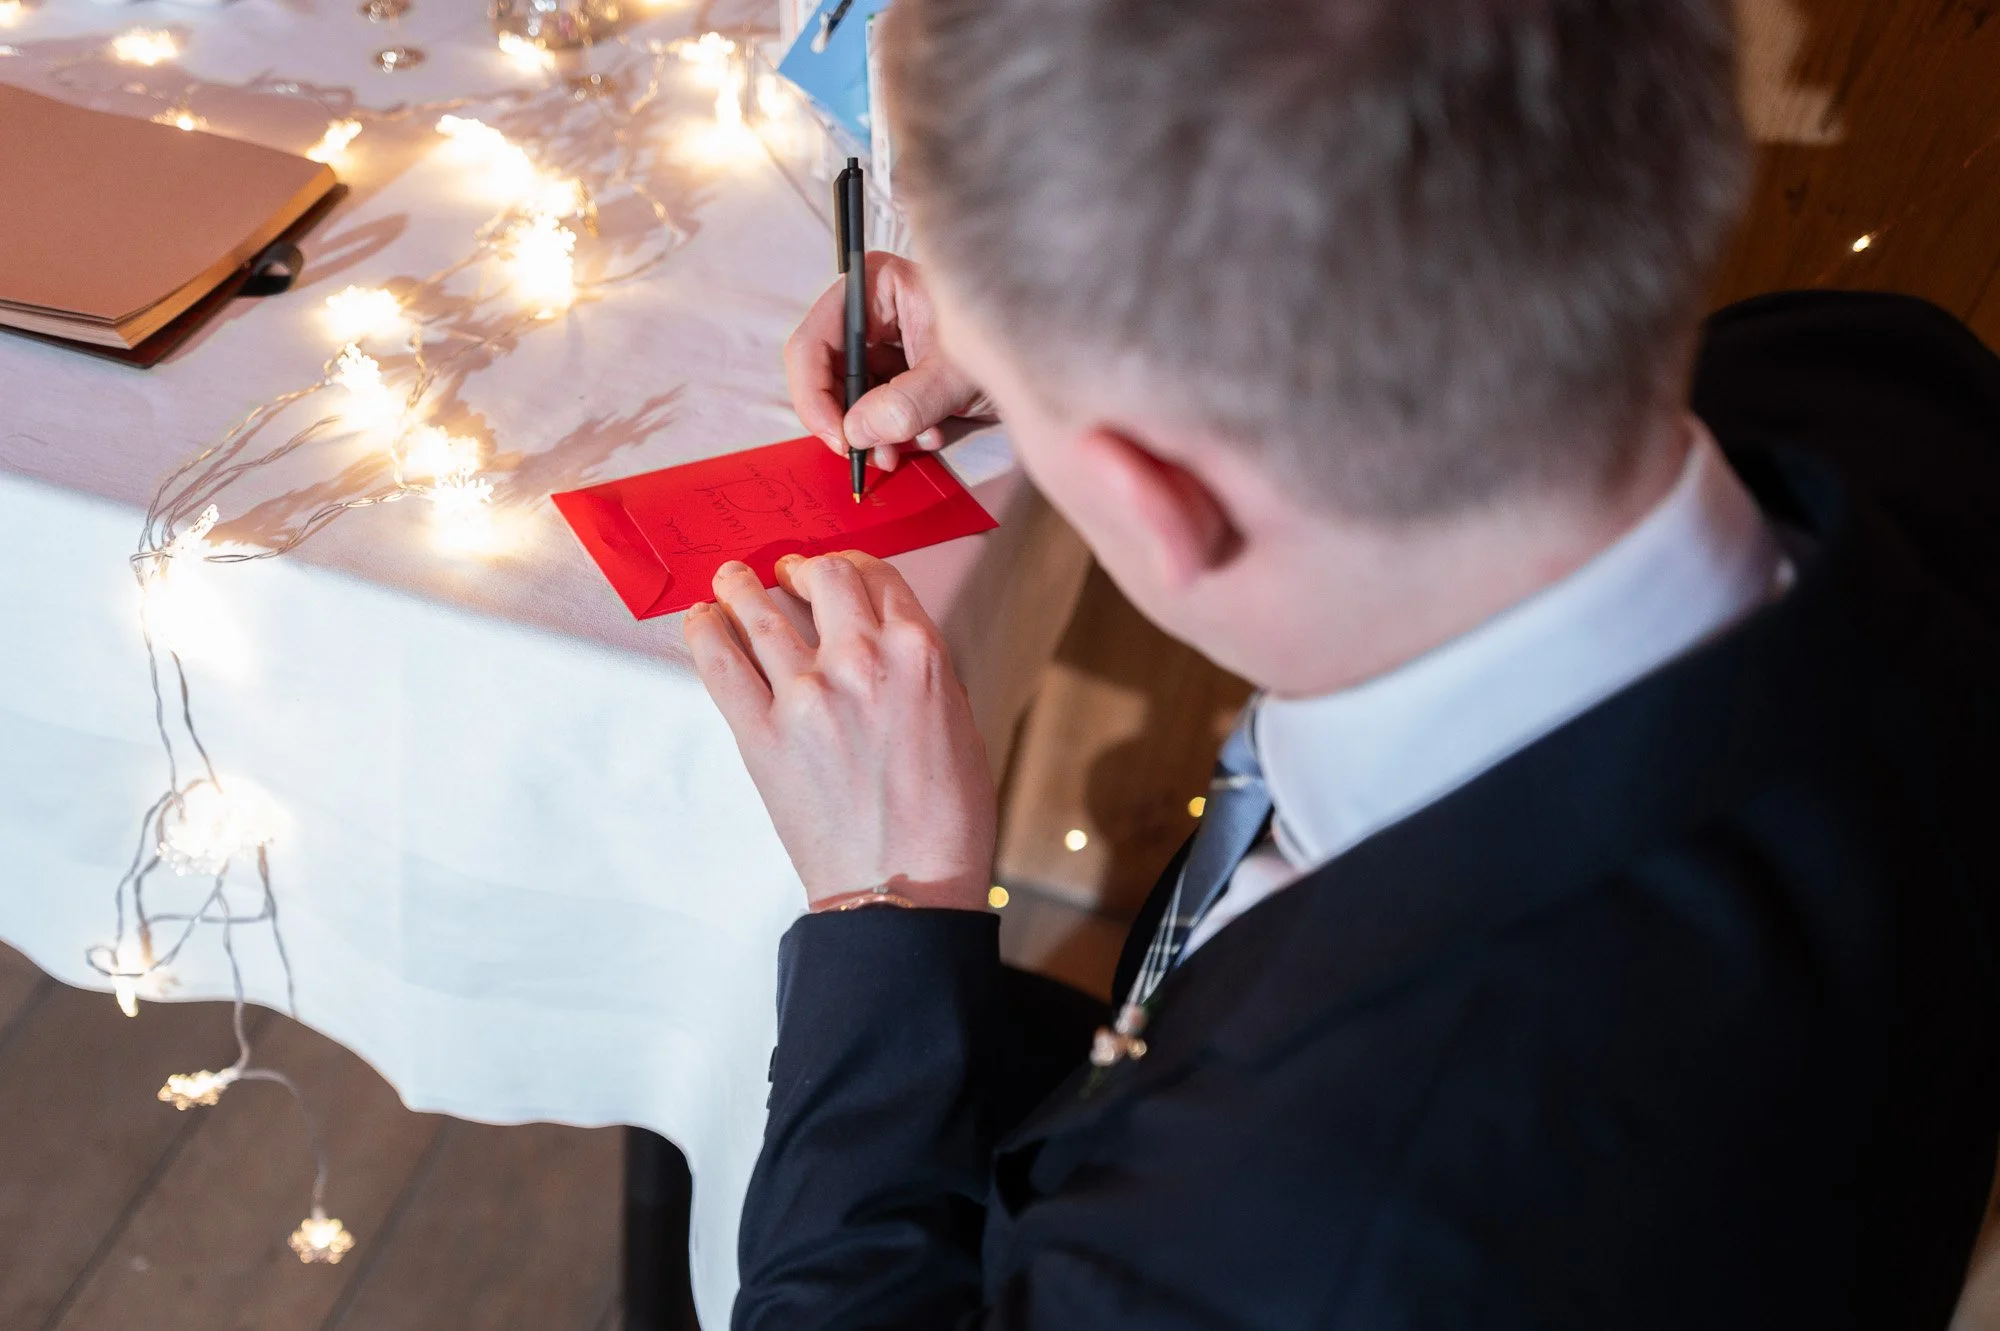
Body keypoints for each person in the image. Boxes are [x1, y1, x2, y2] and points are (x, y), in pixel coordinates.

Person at [681, 0, 2000, 1325]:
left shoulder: (1279, 1243)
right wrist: (1052, 344)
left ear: (1154, 497)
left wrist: (882, 905)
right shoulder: (1889, 384)